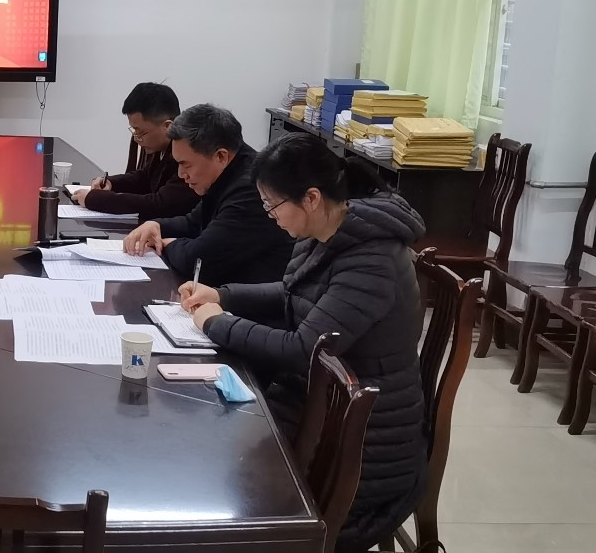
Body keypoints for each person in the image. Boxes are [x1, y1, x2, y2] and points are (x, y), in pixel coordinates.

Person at [178, 132, 427, 553]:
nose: (270, 216)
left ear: (311, 198)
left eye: (272, 205)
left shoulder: (373, 259)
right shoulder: (328, 228)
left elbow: (304, 349)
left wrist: (217, 324)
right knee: (204, 435)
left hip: (363, 447)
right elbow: (293, 292)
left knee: (214, 466)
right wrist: (222, 295)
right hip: (316, 406)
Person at [122, 104, 292, 287]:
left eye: (186, 165)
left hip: (254, 299)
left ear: (221, 156)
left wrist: (169, 244)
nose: (181, 174)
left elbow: (197, 262)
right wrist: (156, 225)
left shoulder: (252, 190)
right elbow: (194, 223)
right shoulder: (228, 173)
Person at [77, 82, 199, 218]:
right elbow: (144, 178)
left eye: (140, 131)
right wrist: (111, 183)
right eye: (134, 130)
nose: (136, 138)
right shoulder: (161, 147)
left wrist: (95, 199)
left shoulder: (188, 155)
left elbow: (161, 205)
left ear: (167, 126)